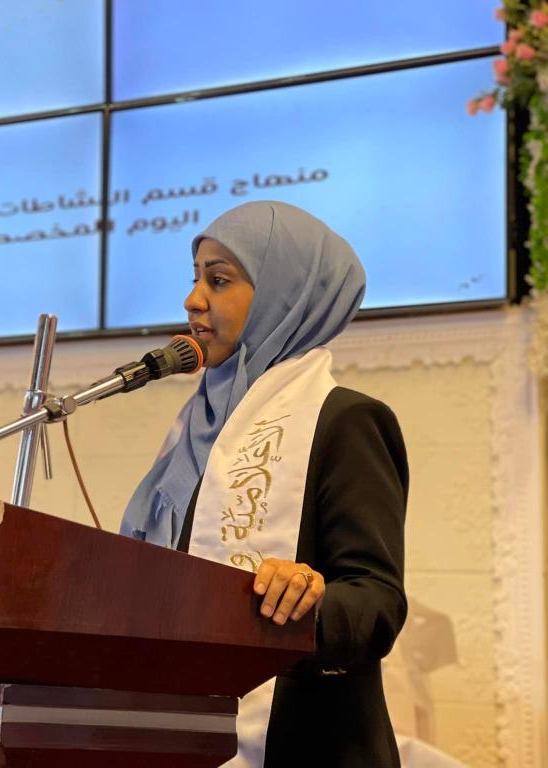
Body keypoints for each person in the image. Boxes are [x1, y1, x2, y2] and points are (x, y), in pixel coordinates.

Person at [121, 201, 408, 767]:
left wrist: (310, 599)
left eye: (218, 280)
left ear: (286, 294)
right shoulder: (194, 431)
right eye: (195, 278)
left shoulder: (347, 420)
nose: (192, 299)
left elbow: (377, 601)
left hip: (304, 744)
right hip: (180, 734)